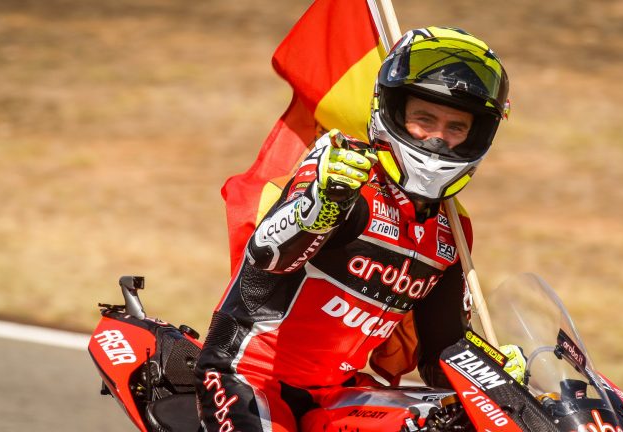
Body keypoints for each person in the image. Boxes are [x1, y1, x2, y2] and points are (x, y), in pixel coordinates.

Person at [195, 26, 512, 432]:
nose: (438, 139)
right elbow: (266, 255)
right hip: (249, 376)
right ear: (393, 111)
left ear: (477, 136)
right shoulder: (344, 172)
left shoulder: (453, 229)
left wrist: (496, 372)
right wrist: (320, 207)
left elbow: (440, 353)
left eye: (456, 127)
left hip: (338, 390)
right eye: (424, 118)